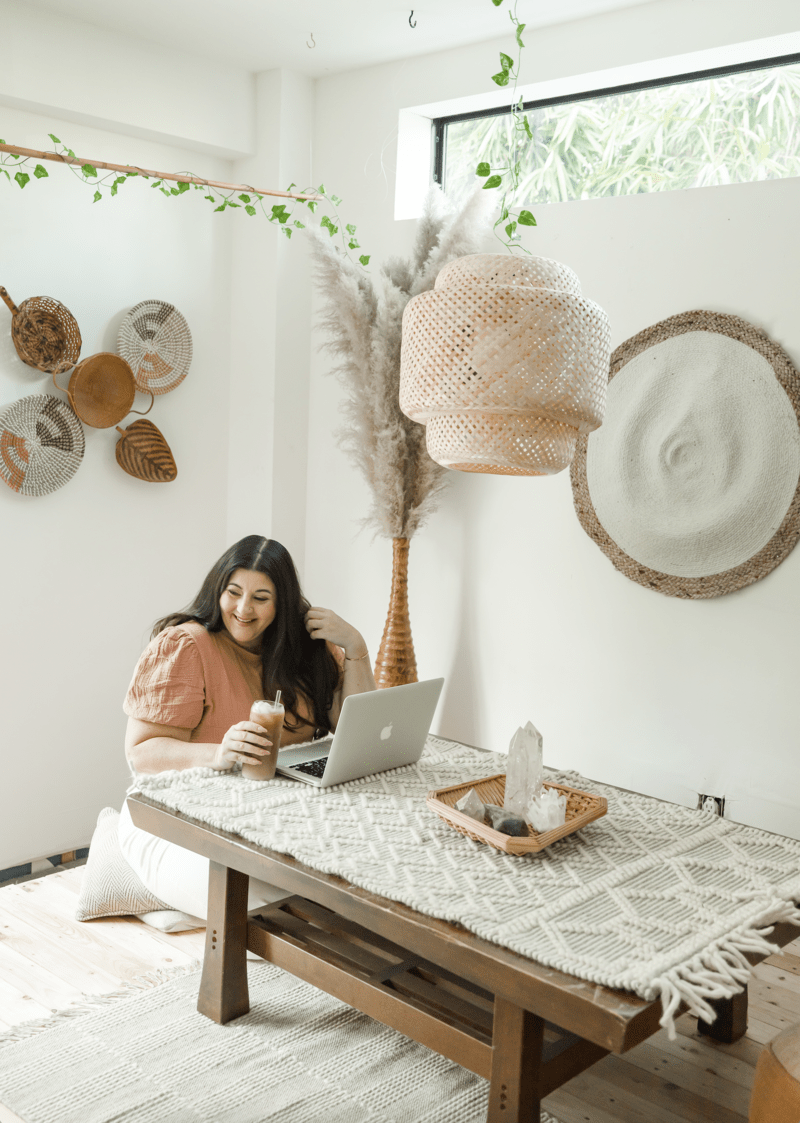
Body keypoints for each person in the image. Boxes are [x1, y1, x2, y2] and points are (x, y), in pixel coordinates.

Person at [117, 534, 376, 920]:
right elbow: (141, 753)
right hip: (174, 823)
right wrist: (219, 753)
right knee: (281, 910)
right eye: (233, 592)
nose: (242, 609)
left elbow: (361, 730)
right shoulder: (187, 646)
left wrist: (356, 647)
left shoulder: (305, 650)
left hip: (268, 822)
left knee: (352, 889)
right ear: (217, 590)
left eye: (260, 597)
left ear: (282, 603)